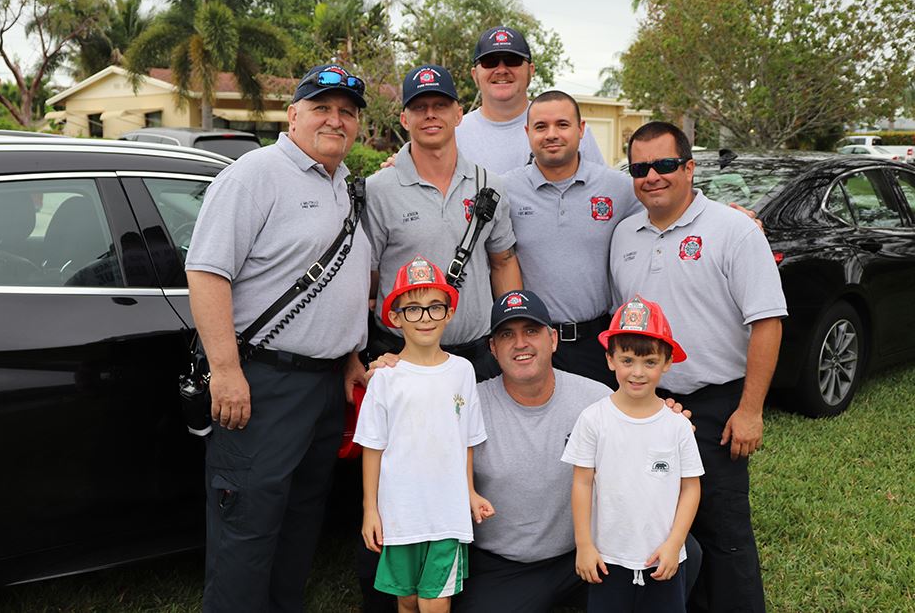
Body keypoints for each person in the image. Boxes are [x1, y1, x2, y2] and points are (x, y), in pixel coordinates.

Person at [185, 64, 372, 612]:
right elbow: (207, 272)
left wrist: (351, 356)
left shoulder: (343, 187)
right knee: (247, 524)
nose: (335, 120)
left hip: (322, 388)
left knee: (299, 520)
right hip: (261, 382)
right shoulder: (255, 174)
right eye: (322, 108)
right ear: (293, 115)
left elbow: (336, 282)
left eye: (347, 112)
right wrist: (225, 371)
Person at [609, 121, 786, 612]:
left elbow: (767, 322)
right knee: (659, 520)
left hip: (716, 406)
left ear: (689, 168)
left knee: (723, 527)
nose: (653, 177)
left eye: (665, 165)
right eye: (640, 168)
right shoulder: (624, 234)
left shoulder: (733, 231)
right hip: (648, 404)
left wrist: (750, 409)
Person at [450, 290, 701, 612]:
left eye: (531, 331)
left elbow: (639, 416)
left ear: (553, 339)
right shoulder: (469, 403)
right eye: (507, 334)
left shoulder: (594, 398)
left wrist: (667, 418)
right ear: (493, 348)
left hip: (590, 552)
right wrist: (393, 368)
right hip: (508, 563)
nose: (520, 343)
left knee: (687, 553)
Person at [363, 64, 522, 382]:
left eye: (440, 106)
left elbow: (503, 262)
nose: (430, 115)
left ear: (459, 114)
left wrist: (513, 332)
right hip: (401, 359)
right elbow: (365, 277)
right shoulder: (378, 189)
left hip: (478, 358)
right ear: (405, 119)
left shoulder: (488, 185)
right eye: (419, 108)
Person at [355, 255, 494, 613]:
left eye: (434, 307)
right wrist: (371, 509)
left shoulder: (462, 371)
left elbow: (464, 442)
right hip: (400, 512)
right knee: (408, 599)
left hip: (447, 513)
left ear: (449, 313)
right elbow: (373, 448)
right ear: (396, 318)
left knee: (434, 601)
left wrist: (470, 492)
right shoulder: (384, 377)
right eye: (413, 309)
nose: (425, 318)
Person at [563, 295, 703, 612]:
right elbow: (582, 483)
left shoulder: (677, 426)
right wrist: (584, 545)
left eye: (650, 362)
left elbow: (691, 487)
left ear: (667, 362)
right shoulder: (592, 419)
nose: (637, 372)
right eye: (627, 360)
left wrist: (674, 543)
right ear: (610, 359)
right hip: (607, 559)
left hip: (663, 559)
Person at [504, 90, 643, 386]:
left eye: (563, 125)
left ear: (581, 130)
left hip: (598, 342)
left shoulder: (618, 187)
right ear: (528, 133)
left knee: (599, 429)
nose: (551, 134)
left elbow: (669, 209)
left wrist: (736, 215)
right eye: (541, 127)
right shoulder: (504, 190)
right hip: (532, 342)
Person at [455, 25, 606, 175]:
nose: (501, 70)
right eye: (490, 62)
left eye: (512, 60)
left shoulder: (570, 130)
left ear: (531, 70)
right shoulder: (454, 135)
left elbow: (601, 188)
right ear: (475, 75)